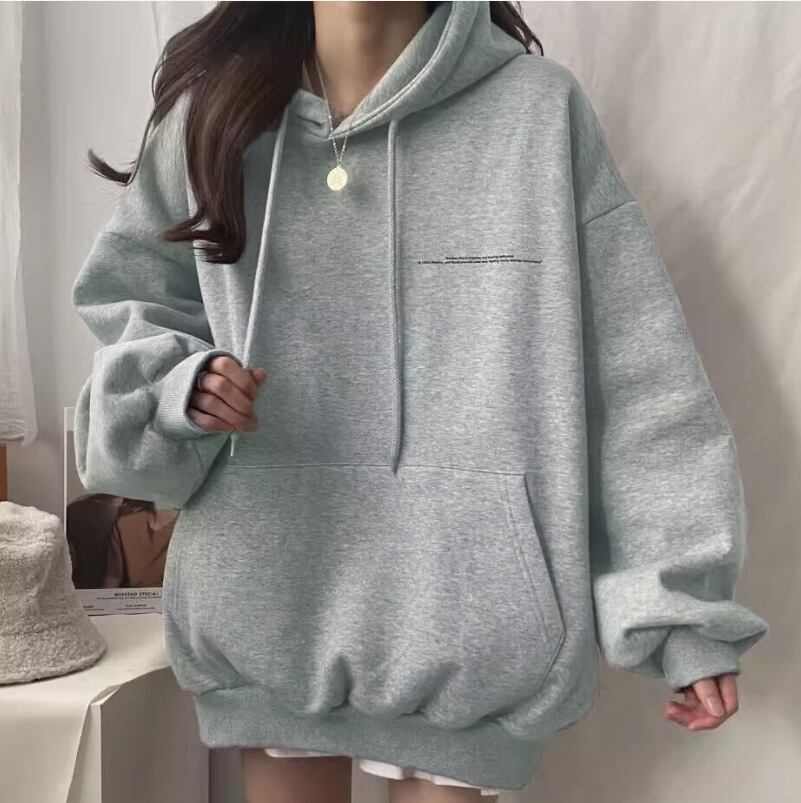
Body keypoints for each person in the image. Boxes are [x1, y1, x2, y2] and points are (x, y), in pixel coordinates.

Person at [70, 2, 769, 801]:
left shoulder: (535, 113)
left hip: (471, 632)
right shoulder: (216, 113)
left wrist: (680, 611)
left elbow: (638, 374)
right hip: (269, 606)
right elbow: (131, 309)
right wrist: (176, 387)